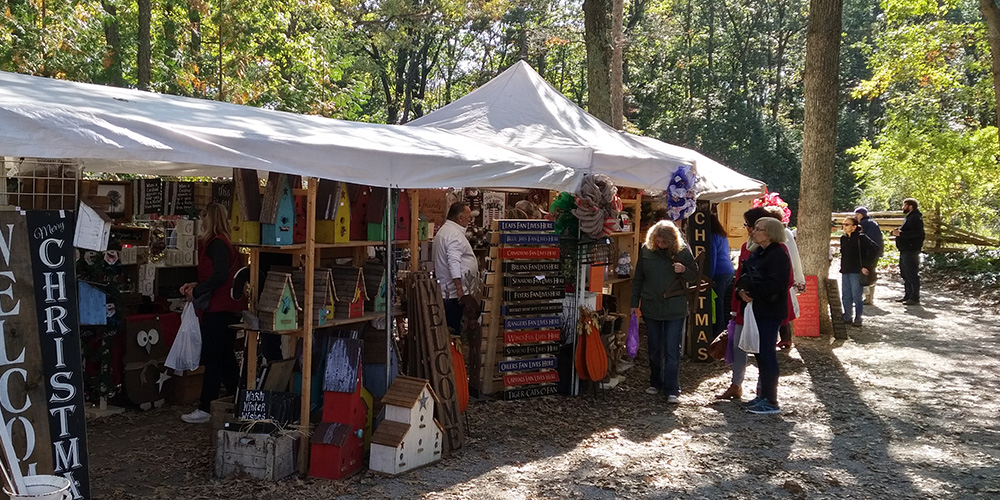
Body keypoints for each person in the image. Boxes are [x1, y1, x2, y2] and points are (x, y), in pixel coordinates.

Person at [179, 203, 247, 424]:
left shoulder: (216, 243)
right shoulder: (224, 242)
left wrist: (197, 289)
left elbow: (219, 275)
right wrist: (196, 284)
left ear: (208, 217)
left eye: (203, 216)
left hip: (219, 308)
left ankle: (206, 406)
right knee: (226, 357)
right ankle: (240, 402)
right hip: (228, 306)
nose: (202, 221)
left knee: (214, 357)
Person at [631, 220, 699, 404]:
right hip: (651, 305)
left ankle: (672, 388)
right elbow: (638, 278)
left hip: (675, 308)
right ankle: (655, 382)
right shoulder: (646, 250)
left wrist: (684, 270)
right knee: (654, 348)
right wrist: (633, 303)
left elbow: (695, 276)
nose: (660, 245)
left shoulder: (683, 251)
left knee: (671, 349)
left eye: (664, 242)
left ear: (671, 240)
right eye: (658, 241)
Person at [735, 217, 791, 415]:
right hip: (755, 309)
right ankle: (762, 396)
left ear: (770, 233)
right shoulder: (758, 252)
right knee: (759, 354)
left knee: (767, 354)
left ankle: (771, 400)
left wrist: (754, 295)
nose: (753, 232)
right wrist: (741, 292)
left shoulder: (778, 255)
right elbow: (746, 275)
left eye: (758, 229)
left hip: (769, 311)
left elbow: (776, 285)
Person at [716, 206, 770, 400]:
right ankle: (736, 384)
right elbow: (740, 276)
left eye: (749, 225)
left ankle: (763, 389)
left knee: (761, 348)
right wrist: (736, 300)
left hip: (761, 306)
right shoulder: (747, 246)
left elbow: (777, 280)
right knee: (738, 344)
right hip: (742, 303)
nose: (747, 229)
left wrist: (755, 294)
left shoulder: (773, 249)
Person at [433, 201, 479, 335]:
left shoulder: (446, 231)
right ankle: (454, 356)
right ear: (460, 218)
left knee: (450, 330)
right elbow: (453, 262)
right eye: (468, 216)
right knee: (453, 332)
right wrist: (459, 289)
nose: (470, 220)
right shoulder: (453, 234)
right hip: (453, 295)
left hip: (449, 292)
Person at [762, 206, 804, 349]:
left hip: (782, 275)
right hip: (778, 275)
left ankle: (785, 338)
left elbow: (792, 254)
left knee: (782, 306)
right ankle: (784, 338)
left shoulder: (783, 232)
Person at [840, 217, 878, 327]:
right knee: (846, 295)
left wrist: (866, 265)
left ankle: (858, 318)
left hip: (856, 271)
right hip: (845, 270)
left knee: (857, 296)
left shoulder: (861, 238)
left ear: (854, 227)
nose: (844, 226)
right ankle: (847, 316)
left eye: (847, 224)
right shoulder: (843, 238)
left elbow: (875, 249)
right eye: (843, 224)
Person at [892, 198, 925, 305]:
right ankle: (908, 295)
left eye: (904, 205)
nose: (903, 207)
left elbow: (917, 233)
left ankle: (914, 297)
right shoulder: (910, 217)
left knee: (912, 273)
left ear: (910, 206)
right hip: (905, 250)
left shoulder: (915, 218)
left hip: (911, 250)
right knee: (905, 273)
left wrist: (901, 234)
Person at [709, 213, 734, 338]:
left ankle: (718, 332)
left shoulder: (712, 237)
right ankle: (720, 329)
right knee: (721, 301)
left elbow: (712, 258)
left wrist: (708, 278)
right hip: (727, 271)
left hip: (719, 272)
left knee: (717, 302)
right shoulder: (721, 235)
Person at [854, 207, 884, 305]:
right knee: (871, 272)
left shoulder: (863, 224)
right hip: (875, 252)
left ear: (861, 215)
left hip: (868, 253)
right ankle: (869, 297)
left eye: (857, 214)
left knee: (865, 274)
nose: (855, 216)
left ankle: (867, 298)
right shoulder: (873, 223)